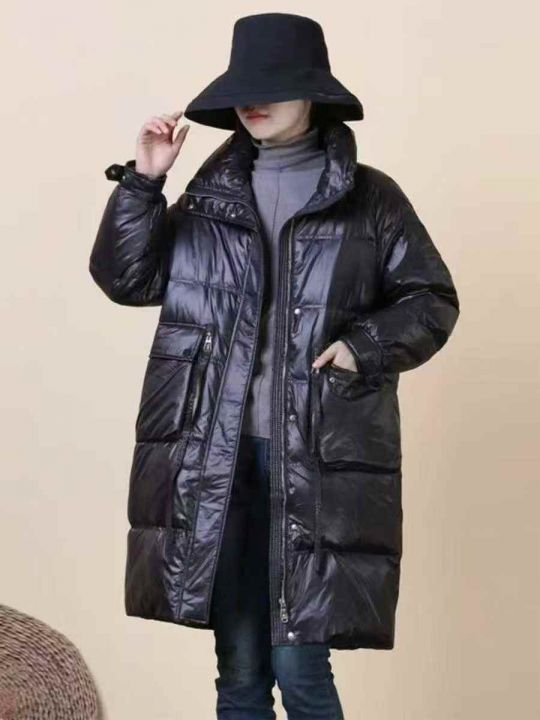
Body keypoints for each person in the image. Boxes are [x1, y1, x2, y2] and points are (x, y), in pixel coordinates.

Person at [89, 12, 460, 720]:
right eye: (243, 90)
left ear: (313, 94)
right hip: (216, 455)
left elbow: (431, 300)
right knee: (240, 670)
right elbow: (127, 279)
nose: (252, 103)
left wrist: (363, 347)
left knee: (302, 669)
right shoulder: (208, 197)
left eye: (272, 86)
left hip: (317, 455)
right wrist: (144, 183)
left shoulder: (371, 199)